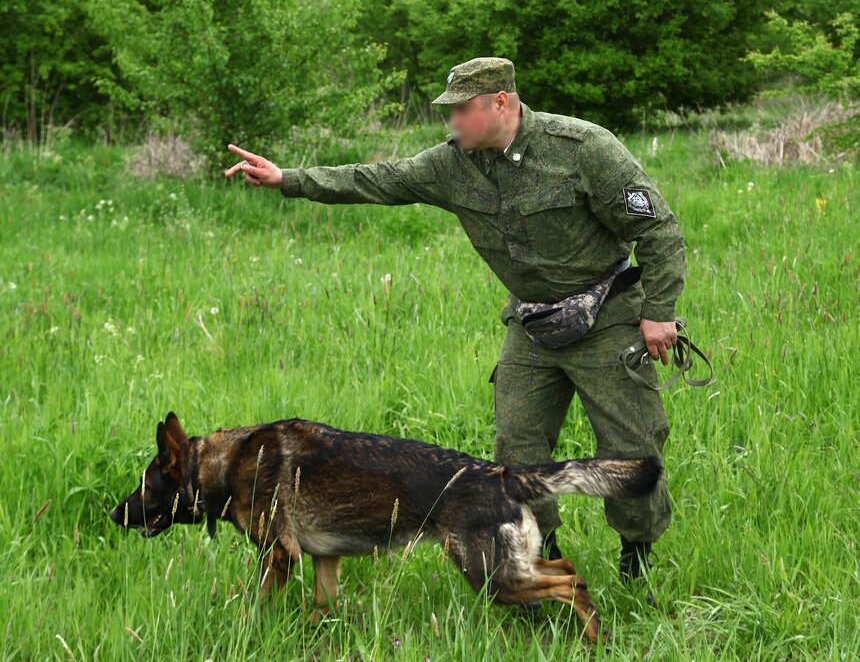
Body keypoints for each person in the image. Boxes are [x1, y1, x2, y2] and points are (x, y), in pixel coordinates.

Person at [224, 57, 685, 607]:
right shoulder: (451, 165)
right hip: (533, 323)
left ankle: (639, 562)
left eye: (462, 111)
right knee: (515, 452)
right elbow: (378, 179)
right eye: (449, 114)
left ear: (500, 102)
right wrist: (287, 179)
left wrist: (659, 311)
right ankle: (545, 566)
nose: (453, 124)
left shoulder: (583, 149)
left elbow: (658, 228)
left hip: (607, 316)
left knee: (630, 447)